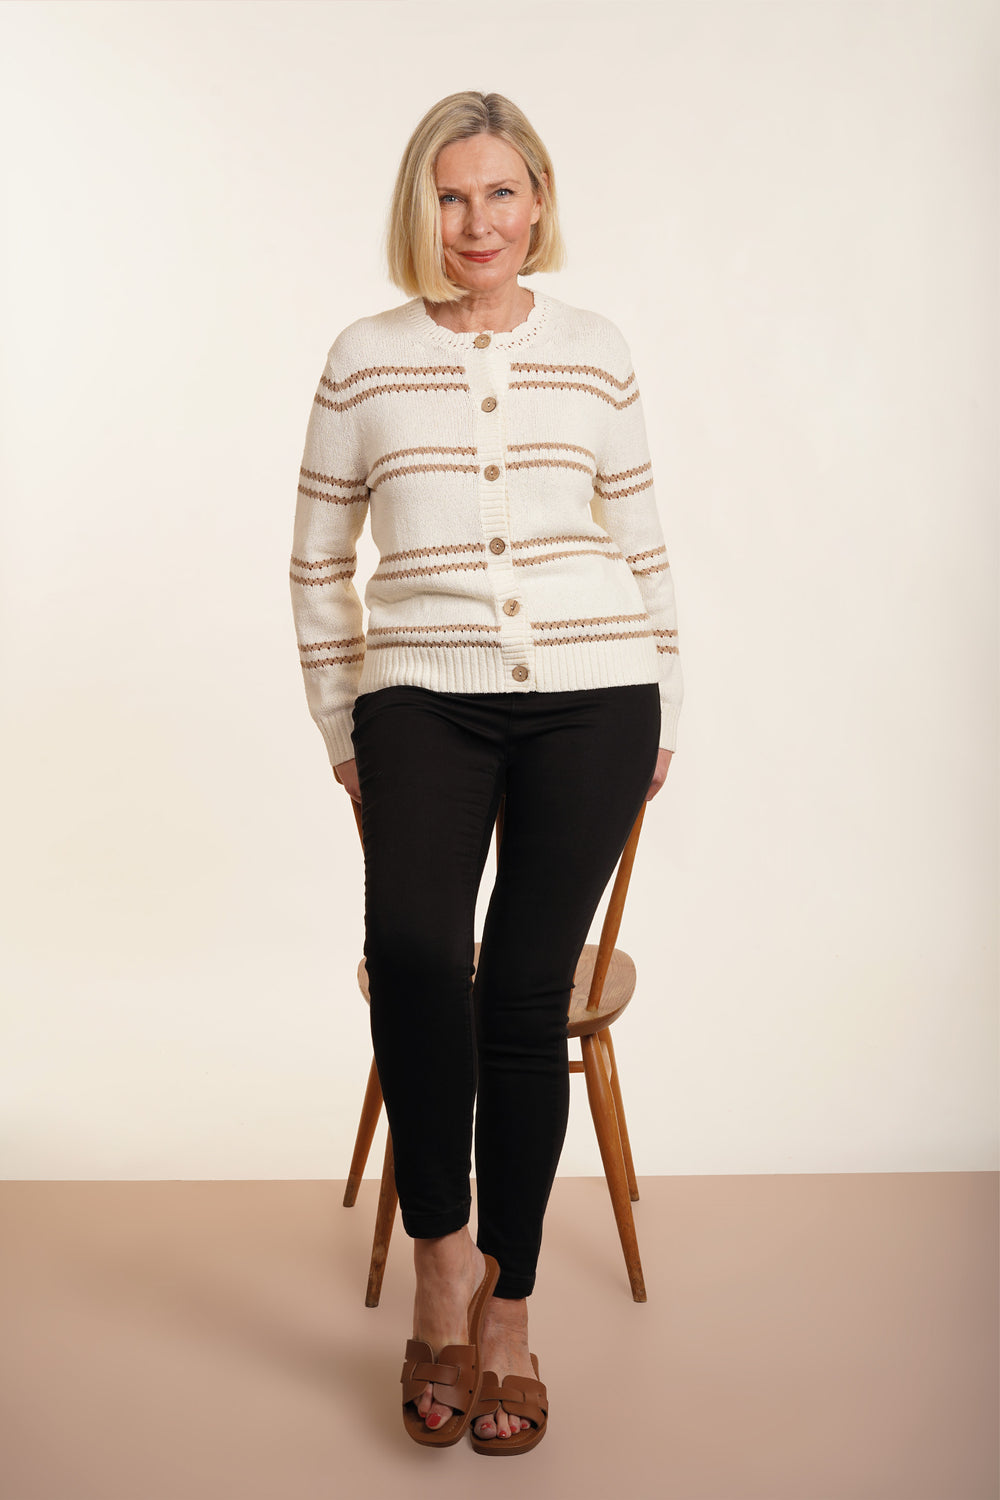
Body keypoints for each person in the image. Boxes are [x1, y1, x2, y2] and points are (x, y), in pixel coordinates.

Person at [289, 90, 682, 1455]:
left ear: (538, 200)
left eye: (500, 192)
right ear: (422, 209)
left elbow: (641, 540)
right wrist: (344, 727)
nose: (477, 222)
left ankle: (507, 1310)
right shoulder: (365, 359)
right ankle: (440, 1263)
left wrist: (665, 703)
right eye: (451, 196)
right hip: (422, 697)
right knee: (413, 949)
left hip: (594, 696)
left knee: (523, 994)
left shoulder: (596, 351)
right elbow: (318, 563)